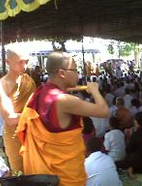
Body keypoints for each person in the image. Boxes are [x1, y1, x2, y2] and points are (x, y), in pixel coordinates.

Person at [16, 52, 109, 186]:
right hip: (64, 178)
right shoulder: (65, 100)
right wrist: (95, 91)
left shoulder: (37, 94)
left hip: (41, 175)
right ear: (62, 73)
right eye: (75, 70)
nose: (78, 74)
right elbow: (104, 111)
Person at [0, 48, 36, 173]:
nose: (25, 65)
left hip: (34, 131)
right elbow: (10, 119)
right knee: (21, 174)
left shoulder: (28, 80)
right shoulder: (0, 85)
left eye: (26, 61)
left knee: (38, 172)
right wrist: (38, 114)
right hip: (15, 135)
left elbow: (35, 104)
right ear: (7, 62)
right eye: (20, 62)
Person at [116, 112, 142, 178]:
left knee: (116, 163)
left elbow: (129, 149)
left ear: (137, 122)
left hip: (138, 163)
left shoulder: (136, 134)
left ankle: (131, 168)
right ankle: (132, 168)